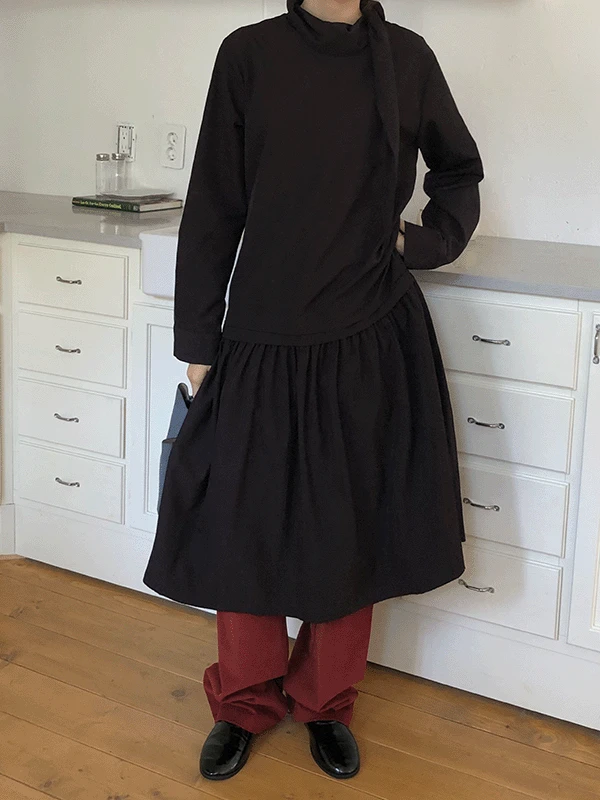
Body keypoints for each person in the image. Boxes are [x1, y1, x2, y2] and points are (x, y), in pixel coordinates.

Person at [143, 0, 484, 782]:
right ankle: (244, 704)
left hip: (370, 334)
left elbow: (458, 169)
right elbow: (214, 203)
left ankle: (326, 701)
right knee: (245, 527)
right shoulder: (249, 55)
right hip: (261, 334)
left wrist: (423, 240)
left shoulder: (408, 58)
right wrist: (197, 343)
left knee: (347, 528)